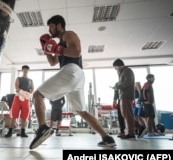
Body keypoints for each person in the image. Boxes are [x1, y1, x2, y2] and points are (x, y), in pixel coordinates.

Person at [29, 15, 116, 149]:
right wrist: (45, 48)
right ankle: (107, 137)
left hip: (71, 70)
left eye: (51, 26)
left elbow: (77, 52)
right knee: (82, 112)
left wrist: (58, 49)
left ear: (58, 25)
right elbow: (52, 62)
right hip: (76, 76)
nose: (49, 30)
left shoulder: (68, 34)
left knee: (37, 95)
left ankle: (42, 128)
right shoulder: (59, 44)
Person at [112, 59, 146, 139]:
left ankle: (131, 133)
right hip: (122, 95)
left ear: (119, 65)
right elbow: (122, 83)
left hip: (126, 96)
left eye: (115, 67)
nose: (115, 69)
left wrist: (117, 86)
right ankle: (140, 127)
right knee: (125, 114)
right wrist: (117, 86)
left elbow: (128, 82)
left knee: (128, 114)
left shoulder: (128, 71)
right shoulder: (122, 72)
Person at [5, 65, 34, 138]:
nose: (25, 70)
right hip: (18, 97)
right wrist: (22, 92)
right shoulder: (18, 78)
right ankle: (10, 131)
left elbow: (32, 89)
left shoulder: (30, 80)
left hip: (26, 99)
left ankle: (23, 132)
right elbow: (16, 87)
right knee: (14, 115)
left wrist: (28, 94)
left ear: (28, 71)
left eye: (27, 69)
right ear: (22, 70)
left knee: (25, 115)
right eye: (24, 69)